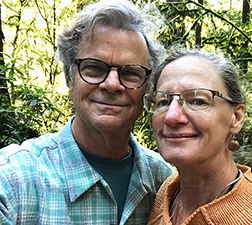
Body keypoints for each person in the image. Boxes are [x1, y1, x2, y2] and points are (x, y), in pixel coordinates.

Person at [0, 0, 175, 224]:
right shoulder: (13, 181)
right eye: (94, 67)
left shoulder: (164, 182)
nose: (112, 84)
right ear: (69, 76)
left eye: (131, 72)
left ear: (146, 86)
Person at [144, 49, 252, 224]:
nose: (171, 116)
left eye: (198, 101)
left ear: (236, 118)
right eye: (163, 101)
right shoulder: (166, 195)